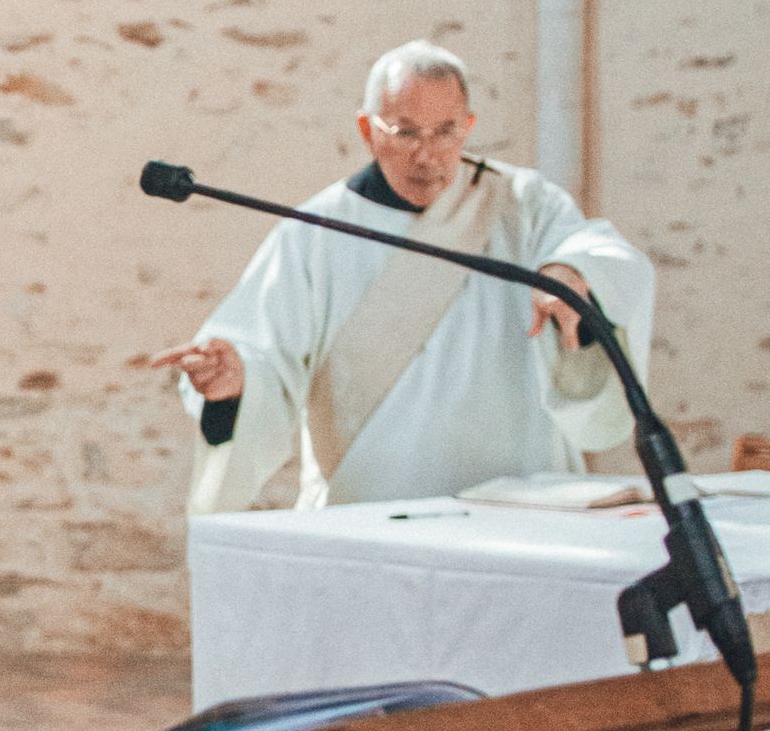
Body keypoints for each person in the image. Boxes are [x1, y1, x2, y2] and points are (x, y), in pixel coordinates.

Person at [153, 39, 655, 509]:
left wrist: (571, 271)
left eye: (446, 131)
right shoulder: (316, 232)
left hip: (521, 505)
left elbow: (596, 249)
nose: (427, 154)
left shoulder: (524, 205)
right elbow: (261, 352)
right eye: (406, 132)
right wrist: (241, 380)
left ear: (469, 125)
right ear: (368, 131)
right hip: (375, 513)